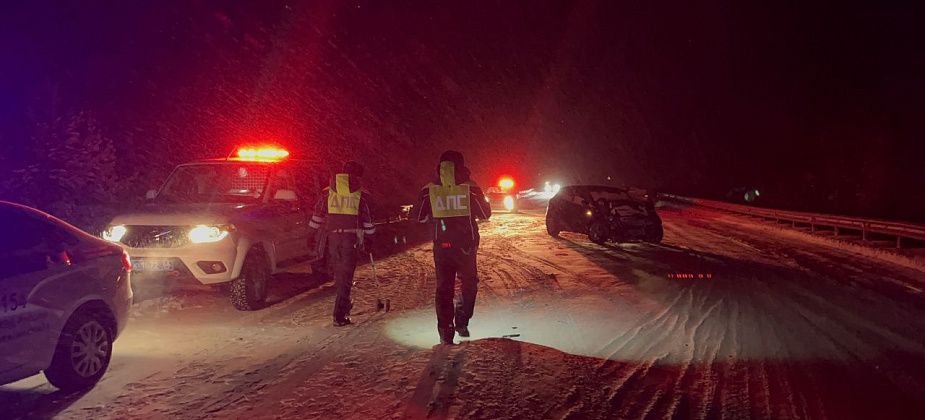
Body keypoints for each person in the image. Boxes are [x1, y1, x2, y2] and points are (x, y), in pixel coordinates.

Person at [414, 151, 491, 344]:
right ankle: (462, 320)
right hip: (465, 246)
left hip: (442, 246)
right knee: (469, 285)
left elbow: (418, 216)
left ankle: (445, 333)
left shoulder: (429, 189)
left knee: (443, 289)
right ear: (461, 166)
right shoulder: (471, 188)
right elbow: (485, 214)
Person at [308, 161, 375, 326]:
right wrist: (370, 238)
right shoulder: (361, 194)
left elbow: (317, 215)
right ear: (358, 175)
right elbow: (367, 220)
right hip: (350, 239)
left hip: (333, 239)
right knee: (346, 276)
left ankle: (344, 304)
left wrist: (310, 234)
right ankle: (340, 315)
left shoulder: (327, 192)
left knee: (339, 274)